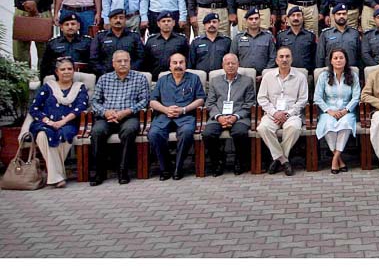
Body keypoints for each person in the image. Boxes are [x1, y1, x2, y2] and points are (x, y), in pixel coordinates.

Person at [89, 50, 150, 185]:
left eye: (126, 61)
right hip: (107, 117)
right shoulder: (104, 79)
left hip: (129, 116)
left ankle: (123, 171)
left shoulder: (140, 78)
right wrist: (105, 112)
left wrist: (127, 111)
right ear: (113, 63)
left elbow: (144, 101)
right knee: (97, 132)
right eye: (119, 61)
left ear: (130, 62)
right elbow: (95, 102)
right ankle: (99, 172)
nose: (123, 64)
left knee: (129, 131)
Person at [27, 56, 89, 187]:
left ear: (73, 71)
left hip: (69, 124)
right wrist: (48, 121)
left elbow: (81, 107)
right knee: (43, 135)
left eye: (69, 69)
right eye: (63, 69)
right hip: (45, 123)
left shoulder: (79, 88)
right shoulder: (48, 87)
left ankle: (55, 175)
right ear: (57, 72)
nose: (66, 72)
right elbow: (34, 108)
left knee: (63, 134)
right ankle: (57, 176)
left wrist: (63, 121)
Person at [148, 52, 206, 180]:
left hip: (186, 116)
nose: (178, 65)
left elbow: (201, 99)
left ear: (186, 65)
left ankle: (178, 168)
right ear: (170, 65)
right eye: (175, 63)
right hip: (164, 115)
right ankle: (165, 168)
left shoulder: (194, 78)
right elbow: (152, 101)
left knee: (186, 133)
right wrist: (165, 109)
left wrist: (183, 109)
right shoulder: (163, 80)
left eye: (181, 62)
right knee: (154, 134)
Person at [256, 46, 308, 176]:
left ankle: (277, 159)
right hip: (272, 114)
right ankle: (284, 160)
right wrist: (274, 112)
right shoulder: (268, 77)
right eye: (281, 57)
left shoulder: (300, 77)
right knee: (263, 128)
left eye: (287, 56)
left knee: (294, 128)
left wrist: (288, 113)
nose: (284, 59)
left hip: (292, 114)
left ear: (292, 59)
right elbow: (262, 98)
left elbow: (302, 100)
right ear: (276, 60)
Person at [202, 53, 256, 176]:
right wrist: (219, 117)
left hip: (239, 117)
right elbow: (209, 103)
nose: (231, 66)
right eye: (228, 63)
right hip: (218, 117)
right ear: (223, 65)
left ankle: (240, 161)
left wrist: (235, 116)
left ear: (238, 65)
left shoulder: (247, 81)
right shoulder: (215, 81)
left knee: (240, 133)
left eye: (233, 63)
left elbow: (250, 103)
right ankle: (218, 162)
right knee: (208, 134)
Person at [313, 48, 361, 174]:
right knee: (328, 126)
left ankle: (335, 158)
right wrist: (329, 111)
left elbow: (356, 97)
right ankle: (339, 160)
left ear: (346, 60)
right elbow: (317, 97)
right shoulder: (324, 76)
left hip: (347, 111)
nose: (338, 60)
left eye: (341, 58)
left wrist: (346, 110)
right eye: (335, 58)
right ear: (331, 61)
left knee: (345, 125)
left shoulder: (353, 75)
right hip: (329, 111)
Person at [90, 9, 145, 77]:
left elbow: (141, 58)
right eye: (115, 18)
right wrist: (105, 73)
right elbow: (94, 59)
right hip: (106, 76)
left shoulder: (134, 36)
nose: (118, 20)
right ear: (110, 20)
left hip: (130, 76)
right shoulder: (100, 37)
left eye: (121, 18)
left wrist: (129, 71)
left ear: (125, 20)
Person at [39, 12, 92, 81]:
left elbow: (93, 64)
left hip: (81, 78)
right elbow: (45, 66)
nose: (70, 27)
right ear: (61, 27)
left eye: (73, 24)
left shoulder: (88, 42)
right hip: (58, 78)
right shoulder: (53, 43)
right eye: (66, 24)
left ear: (78, 26)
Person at [142, 11, 190, 77]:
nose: (166, 23)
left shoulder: (181, 40)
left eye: (169, 21)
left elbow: (187, 60)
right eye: (163, 21)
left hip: (176, 78)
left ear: (173, 23)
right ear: (158, 24)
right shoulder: (151, 40)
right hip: (155, 79)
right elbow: (146, 62)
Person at [231, 8, 277, 75]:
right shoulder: (238, 38)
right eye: (251, 19)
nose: (254, 21)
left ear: (260, 20)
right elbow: (233, 58)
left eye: (256, 18)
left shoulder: (268, 37)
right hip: (243, 76)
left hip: (264, 76)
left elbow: (273, 57)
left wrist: (265, 74)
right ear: (246, 21)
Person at [316, 3, 361, 69]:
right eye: (338, 14)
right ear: (333, 16)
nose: (341, 16)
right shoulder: (325, 34)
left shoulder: (354, 33)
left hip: (351, 71)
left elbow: (359, 56)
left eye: (344, 14)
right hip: (330, 71)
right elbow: (320, 56)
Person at [276, 6, 317, 73]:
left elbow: (314, 57)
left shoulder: (310, 36)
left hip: (305, 73)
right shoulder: (281, 36)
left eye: (298, 15)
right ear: (288, 18)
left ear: (303, 18)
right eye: (293, 15)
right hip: (286, 72)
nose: (296, 18)